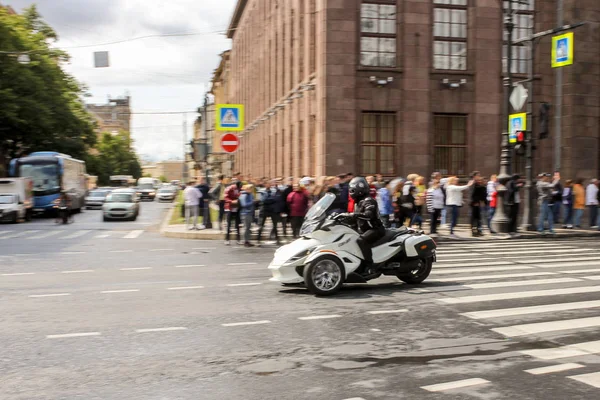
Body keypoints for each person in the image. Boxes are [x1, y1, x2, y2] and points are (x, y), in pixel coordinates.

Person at [335, 177, 385, 270]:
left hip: (375, 229)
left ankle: (370, 265)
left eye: (352, 190)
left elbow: (369, 215)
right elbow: (355, 219)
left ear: (360, 189)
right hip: (363, 229)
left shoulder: (369, 200)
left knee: (361, 241)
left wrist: (353, 215)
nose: (351, 192)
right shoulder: (357, 202)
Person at [257, 180, 282, 245]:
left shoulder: (274, 190)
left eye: (270, 184)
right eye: (267, 183)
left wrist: (269, 199)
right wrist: (271, 199)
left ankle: (277, 239)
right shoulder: (261, 191)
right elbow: (263, 200)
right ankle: (258, 240)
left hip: (272, 210)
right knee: (261, 225)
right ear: (265, 184)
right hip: (264, 210)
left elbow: (276, 198)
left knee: (275, 225)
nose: (269, 185)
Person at [224, 179, 242, 245]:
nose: (238, 188)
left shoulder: (239, 189)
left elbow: (239, 196)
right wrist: (232, 201)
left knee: (237, 224)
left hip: (236, 208)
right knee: (229, 224)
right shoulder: (229, 189)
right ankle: (227, 239)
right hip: (229, 208)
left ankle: (238, 239)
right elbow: (226, 197)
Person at [470, 171, 487, 237]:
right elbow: (472, 194)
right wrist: (475, 202)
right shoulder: (472, 183)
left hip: (478, 203)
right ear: (474, 176)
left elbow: (482, 194)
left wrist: (483, 201)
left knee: (478, 218)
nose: (479, 177)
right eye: (478, 175)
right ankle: (474, 232)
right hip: (474, 203)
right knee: (474, 218)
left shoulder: (478, 184)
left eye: (479, 175)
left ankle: (478, 231)